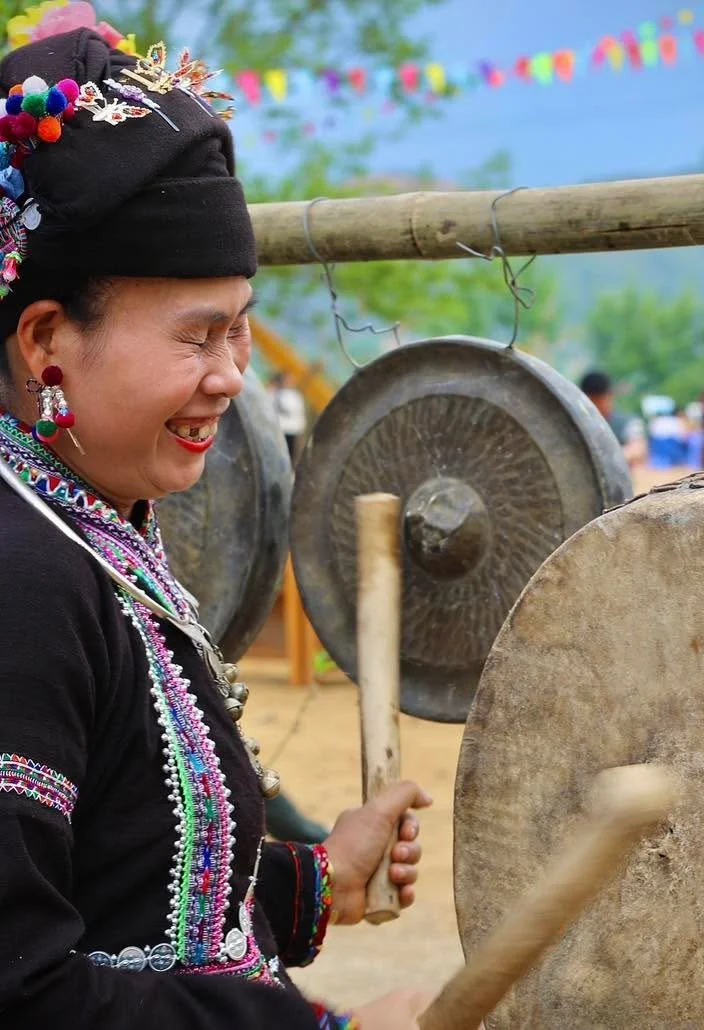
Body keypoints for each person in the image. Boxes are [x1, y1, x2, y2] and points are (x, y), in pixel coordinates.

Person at [0, 25, 433, 1030]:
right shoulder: (22, 576)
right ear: (45, 340)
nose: (233, 374)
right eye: (198, 334)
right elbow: (23, 992)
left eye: (239, 327)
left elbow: (127, 882)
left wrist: (315, 881)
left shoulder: (98, 527)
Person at [579, 370, 648, 468]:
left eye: (599, 401)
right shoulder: (579, 424)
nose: (595, 406)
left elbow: (638, 450)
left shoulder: (628, 423)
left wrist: (608, 457)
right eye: (591, 401)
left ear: (610, 395)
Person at [272, 369, 307, 464]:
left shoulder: (296, 396)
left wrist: (301, 432)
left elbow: (299, 415)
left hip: (293, 432)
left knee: (290, 457)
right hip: (280, 430)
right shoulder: (274, 393)